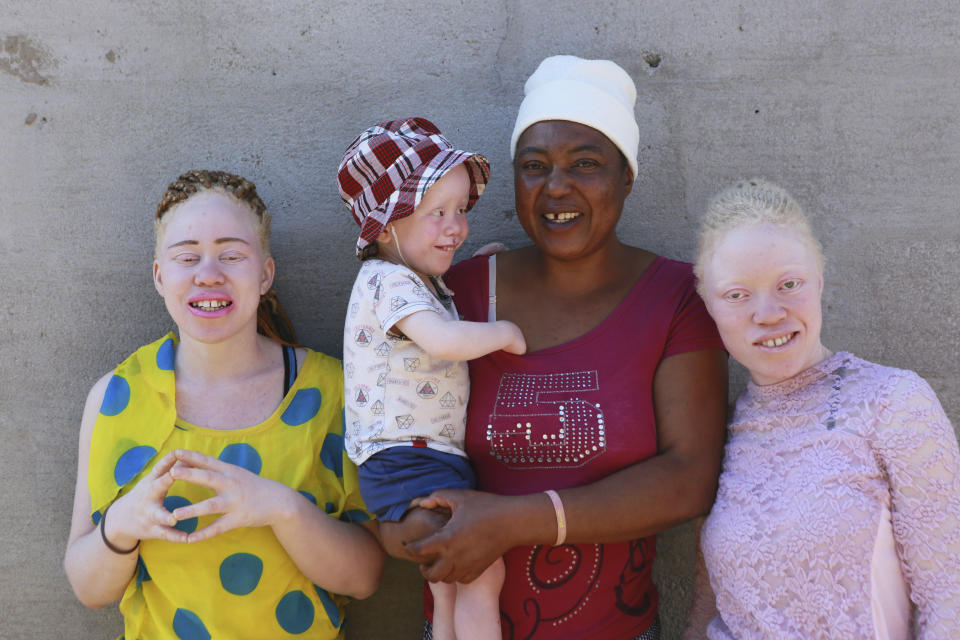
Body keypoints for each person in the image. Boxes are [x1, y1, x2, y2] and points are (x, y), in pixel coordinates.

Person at [404, 56, 729, 640]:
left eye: (586, 164)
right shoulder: (458, 296)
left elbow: (689, 477)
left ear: (626, 176)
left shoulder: (678, 298)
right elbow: (394, 438)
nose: (556, 187)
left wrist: (510, 523)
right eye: (534, 166)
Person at [64, 170, 384, 639]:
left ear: (265, 274)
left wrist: (281, 508)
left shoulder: (334, 391)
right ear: (159, 276)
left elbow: (365, 577)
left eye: (231, 255)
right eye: (186, 257)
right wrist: (121, 524)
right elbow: (89, 589)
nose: (208, 274)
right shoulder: (114, 398)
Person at [687, 178, 960, 639]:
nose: (768, 313)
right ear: (708, 304)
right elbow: (707, 608)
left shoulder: (891, 401)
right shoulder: (717, 432)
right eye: (737, 295)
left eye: (788, 284)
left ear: (820, 278)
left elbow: (948, 595)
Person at [337, 118, 526, 640]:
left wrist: (483, 263)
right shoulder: (388, 280)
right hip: (406, 459)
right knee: (483, 568)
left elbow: (441, 310)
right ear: (388, 224)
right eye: (436, 213)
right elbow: (444, 340)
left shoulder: (414, 279)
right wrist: (506, 332)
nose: (455, 227)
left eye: (460, 211)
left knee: (449, 582)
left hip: (424, 456)